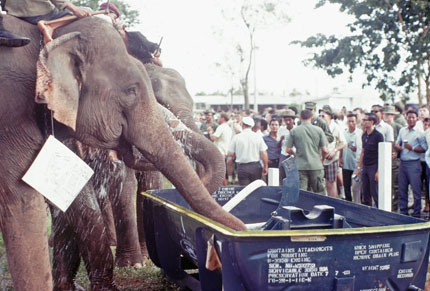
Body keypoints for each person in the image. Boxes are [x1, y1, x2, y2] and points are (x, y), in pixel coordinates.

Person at [4, 0, 91, 44]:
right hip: (37, 11)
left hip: (14, 12)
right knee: (79, 13)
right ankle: (50, 25)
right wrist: (75, 9)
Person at [286, 109, 328, 195]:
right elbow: (325, 150)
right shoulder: (319, 130)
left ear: (300, 117)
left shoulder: (294, 131)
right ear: (312, 118)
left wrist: (295, 154)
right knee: (319, 192)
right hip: (316, 165)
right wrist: (322, 160)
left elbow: (288, 149)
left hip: (300, 166)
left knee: (302, 193)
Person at [395, 110, 428, 218]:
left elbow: (424, 149)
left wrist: (412, 148)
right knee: (402, 189)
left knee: (416, 191)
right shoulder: (402, 131)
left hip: (414, 163)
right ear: (406, 118)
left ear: (417, 119)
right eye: (409, 117)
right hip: (403, 163)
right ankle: (403, 213)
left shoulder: (419, 133)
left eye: (413, 117)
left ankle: (416, 214)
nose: (411, 119)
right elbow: (397, 142)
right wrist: (398, 147)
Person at [227, 116, 268, 185]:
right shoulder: (258, 137)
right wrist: (265, 166)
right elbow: (264, 153)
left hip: (242, 167)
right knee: (256, 189)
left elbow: (230, 154)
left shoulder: (236, 137)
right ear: (252, 126)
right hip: (255, 166)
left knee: (244, 190)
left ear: (243, 125)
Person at [354, 113, 384, 207]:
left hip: (374, 166)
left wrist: (378, 172)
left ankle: (379, 212)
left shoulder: (378, 136)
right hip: (365, 166)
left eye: (365, 120)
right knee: (365, 191)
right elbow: (363, 152)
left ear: (371, 122)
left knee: (374, 191)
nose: (363, 122)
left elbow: (381, 154)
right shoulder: (364, 135)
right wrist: (359, 167)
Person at [319, 105, 346, 198]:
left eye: (323, 116)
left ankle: (334, 205)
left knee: (331, 183)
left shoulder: (336, 127)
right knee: (322, 184)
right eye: (320, 116)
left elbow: (343, 143)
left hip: (331, 159)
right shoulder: (319, 126)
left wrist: (335, 151)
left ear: (330, 116)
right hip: (320, 159)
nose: (321, 118)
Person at [383, 105, 402, 211]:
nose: (387, 116)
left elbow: (403, 142)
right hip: (382, 160)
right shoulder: (380, 127)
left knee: (396, 186)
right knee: (385, 186)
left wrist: (397, 153)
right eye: (386, 114)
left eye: (390, 114)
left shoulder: (398, 127)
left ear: (393, 116)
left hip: (395, 160)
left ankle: (395, 209)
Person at [341, 113, 362, 203]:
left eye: (353, 121)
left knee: (356, 187)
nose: (351, 123)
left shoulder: (359, 133)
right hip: (346, 164)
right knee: (346, 186)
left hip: (355, 165)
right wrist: (340, 158)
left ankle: (358, 203)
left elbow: (361, 149)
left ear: (356, 122)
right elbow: (341, 146)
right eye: (349, 121)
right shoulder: (344, 133)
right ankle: (348, 202)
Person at [277, 109, 296, 182]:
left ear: (293, 120)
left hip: (293, 154)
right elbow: (277, 145)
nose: (288, 122)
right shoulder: (281, 129)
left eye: (289, 120)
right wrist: (281, 139)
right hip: (284, 154)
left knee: (292, 175)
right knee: (282, 173)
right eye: (286, 120)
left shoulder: (296, 129)